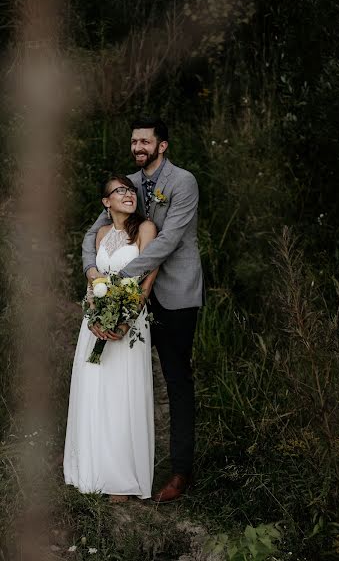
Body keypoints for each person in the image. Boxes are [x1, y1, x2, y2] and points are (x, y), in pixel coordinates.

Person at [82, 117, 203, 502]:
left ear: (162, 146)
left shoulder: (183, 182)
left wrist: (121, 282)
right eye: (134, 141)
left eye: (145, 141)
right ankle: (115, 464)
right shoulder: (129, 186)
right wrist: (93, 272)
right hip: (129, 299)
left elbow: (167, 240)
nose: (138, 147)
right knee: (117, 378)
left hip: (175, 295)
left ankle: (180, 472)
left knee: (176, 380)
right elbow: (92, 232)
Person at [64, 175, 158, 501]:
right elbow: (93, 283)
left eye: (130, 190)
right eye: (119, 191)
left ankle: (121, 477)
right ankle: (93, 467)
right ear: (106, 202)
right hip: (94, 323)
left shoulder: (145, 229)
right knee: (95, 388)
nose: (127, 194)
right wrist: (93, 313)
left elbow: (148, 279)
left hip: (129, 323)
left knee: (122, 392)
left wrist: (126, 318)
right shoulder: (101, 234)